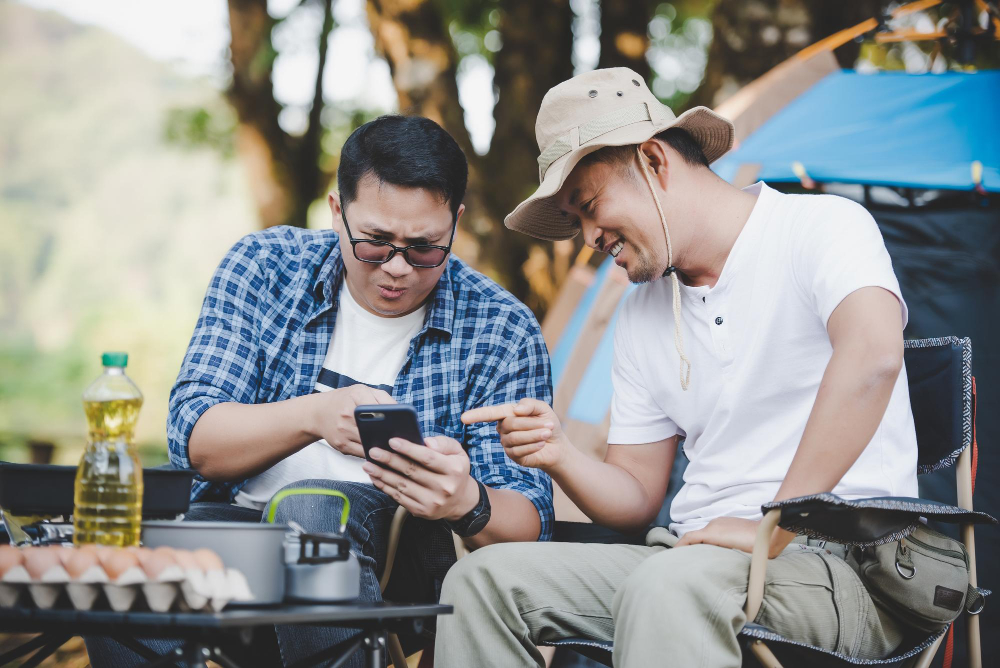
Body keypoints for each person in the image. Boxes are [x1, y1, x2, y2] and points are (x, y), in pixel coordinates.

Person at [435, 67, 917, 667]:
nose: (586, 236)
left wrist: (776, 523)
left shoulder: (821, 227)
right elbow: (637, 494)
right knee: (481, 583)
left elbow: (872, 357)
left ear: (655, 160)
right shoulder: (642, 315)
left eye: (588, 206)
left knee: (669, 586)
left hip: (839, 563)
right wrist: (559, 452)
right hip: (687, 559)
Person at [87, 115, 553, 667]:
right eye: (375, 242)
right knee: (114, 565)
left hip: (404, 549)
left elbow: (529, 522)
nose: (398, 268)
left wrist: (466, 501)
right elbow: (195, 437)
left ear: (456, 223)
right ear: (337, 214)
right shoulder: (264, 267)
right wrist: (314, 415)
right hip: (240, 528)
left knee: (311, 513)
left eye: (425, 248)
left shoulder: (501, 327)